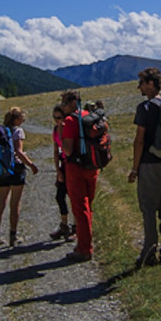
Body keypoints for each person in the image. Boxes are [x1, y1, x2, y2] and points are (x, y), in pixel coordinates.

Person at [128, 67, 161, 267]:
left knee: (149, 207)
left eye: (141, 83)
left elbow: (139, 140)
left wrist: (135, 168)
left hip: (149, 163)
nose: (139, 87)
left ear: (150, 84)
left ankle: (149, 251)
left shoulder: (145, 108)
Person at [0, 107, 39, 247]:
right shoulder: (18, 131)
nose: (23, 120)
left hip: (2, 169)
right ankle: (13, 235)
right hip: (16, 169)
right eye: (22, 118)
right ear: (16, 119)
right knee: (14, 204)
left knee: (0, 204)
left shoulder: (0, 131)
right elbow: (19, 152)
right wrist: (31, 165)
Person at [60, 90, 98, 262]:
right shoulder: (90, 116)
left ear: (71, 103)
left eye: (64, 103)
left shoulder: (69, 121)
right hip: (92, 167)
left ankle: (84, 249)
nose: (62, 106)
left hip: (75, 168)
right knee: (88, 205)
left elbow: (67, 150)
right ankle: (86, 242)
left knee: (80, 208)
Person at [49, 104, 75, 241]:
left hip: (72, 165)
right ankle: (64, 226)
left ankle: (75, 228)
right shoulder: (55, 130)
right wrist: (57, 170)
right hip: (63, 165)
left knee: (73, 196)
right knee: (60, 196)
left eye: (59, 117)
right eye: (54, 118)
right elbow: (55, 150)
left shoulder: (68, 129)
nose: (56, 120)